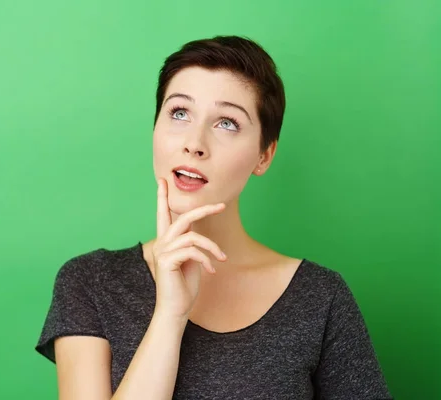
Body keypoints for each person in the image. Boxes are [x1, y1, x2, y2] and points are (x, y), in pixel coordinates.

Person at [35, 35, 392, 399]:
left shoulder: (320, 298)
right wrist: (170, 316)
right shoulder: (91, 283)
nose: (194, 142)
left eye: (227, 123)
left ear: (263, 156)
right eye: (179, 113)